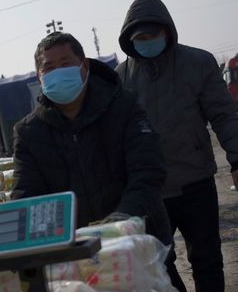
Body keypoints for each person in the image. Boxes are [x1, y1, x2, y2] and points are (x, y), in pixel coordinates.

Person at [116, 0, 238, 292]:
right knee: (157, 261)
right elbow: (115, 136)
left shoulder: (197, 63)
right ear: (129, 39)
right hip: (150, 190)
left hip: (195, 179)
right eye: (139, 36)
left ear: (167, 31)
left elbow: (223, 114)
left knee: (206, 258)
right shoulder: (122, 77)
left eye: (152, 33)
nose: (146, 40)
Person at [11, 32, 171, 245]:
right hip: (75, 255)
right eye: (49, 68)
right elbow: (27, 198)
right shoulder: (29, 133)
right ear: (40, 77)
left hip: (140, 240)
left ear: (84, 65)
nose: (57, 72)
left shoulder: (124, 106)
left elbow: (148, 170)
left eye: (65, 64)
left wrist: (122, 220)